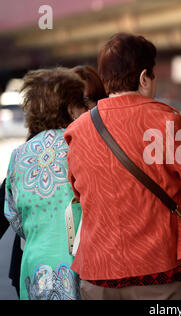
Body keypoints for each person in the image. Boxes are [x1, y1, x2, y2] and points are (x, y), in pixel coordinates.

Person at [64, 33, 181, 300]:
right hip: (158, 267)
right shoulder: (166, 120)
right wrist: (179, 210)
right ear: (144, 77)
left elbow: (79, 192)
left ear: (105, 79)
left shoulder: (77, 130)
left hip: (97, 272)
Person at [0, 65, 106, 298]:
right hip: (78, 265)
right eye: (81, 104)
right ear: (69, 108)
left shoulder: (19, 154)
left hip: (34, 265)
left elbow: (13, 214)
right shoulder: (82, 146)